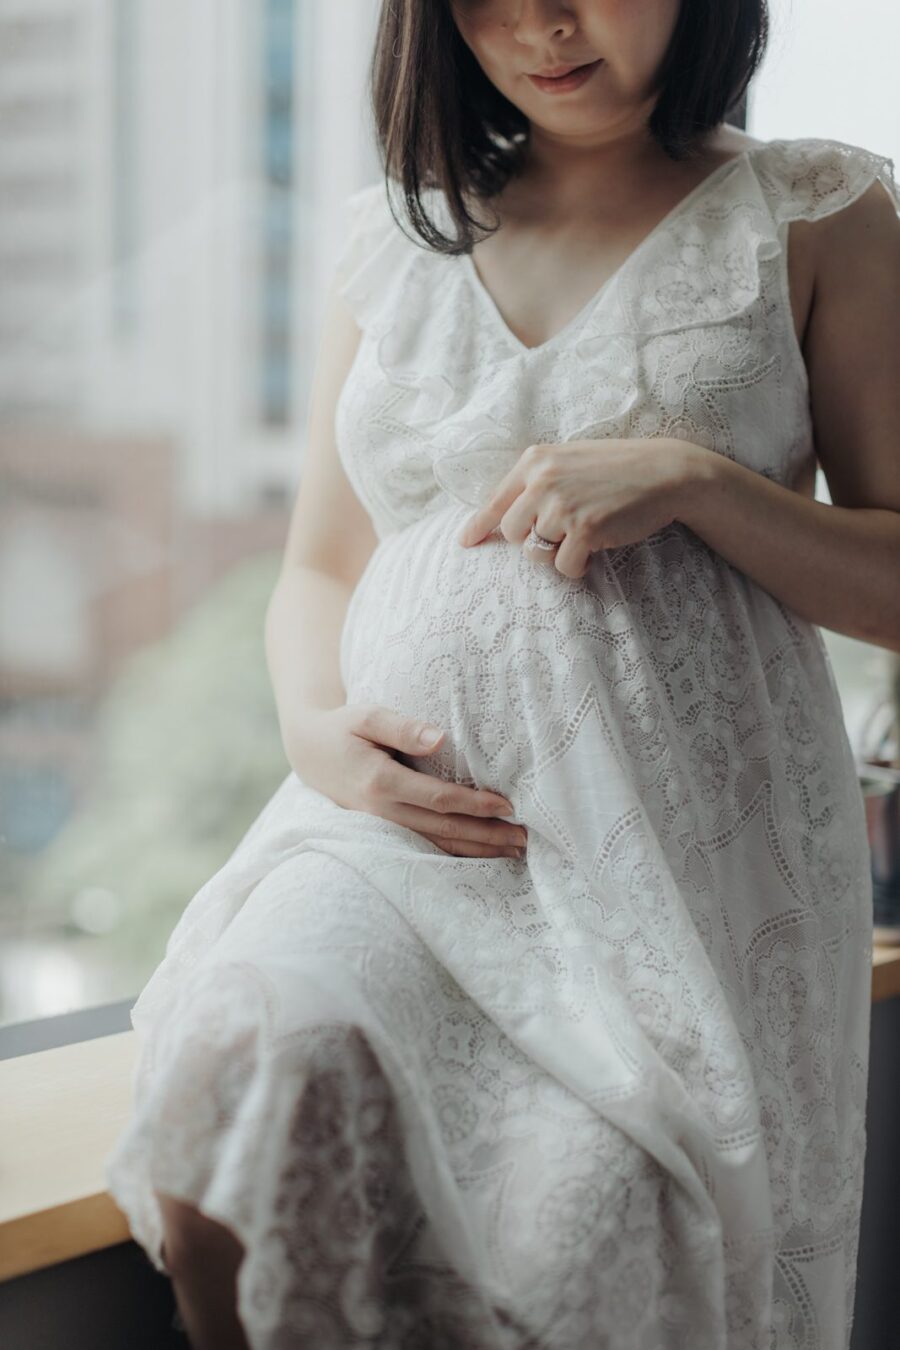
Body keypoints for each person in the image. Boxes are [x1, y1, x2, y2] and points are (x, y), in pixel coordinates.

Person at [104, 1, 900, 1347]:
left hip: (679, 880)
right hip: (405, 839)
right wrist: (314, 733)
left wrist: (697, 482)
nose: (539, 24)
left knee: (585, 1228)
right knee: (242, 1064)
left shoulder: (814, 210)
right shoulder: (393, 237)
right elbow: (316, 568)